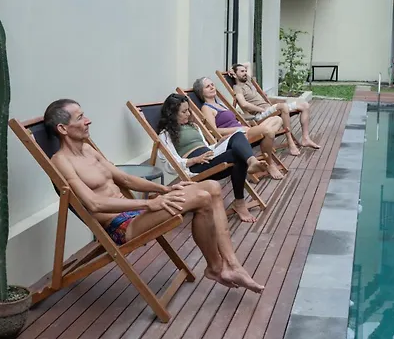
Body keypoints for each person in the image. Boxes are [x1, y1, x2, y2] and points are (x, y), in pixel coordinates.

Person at [44, 99, 264, 292]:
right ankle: (216, 268)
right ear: (63, 128)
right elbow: (93, 204)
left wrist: (164, 190)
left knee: (212, 187)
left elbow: (126, 180)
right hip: (122, 226)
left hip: (137, 212)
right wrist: (149, 205)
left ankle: (233, 265)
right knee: (202, 198)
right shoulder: (61, 162)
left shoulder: (88, 150)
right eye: (80, 118)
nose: (88, 121)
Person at [155, 93, 268, 223]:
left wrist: (219, 144)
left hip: (210, 157)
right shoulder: (165, 134)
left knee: (238, 135)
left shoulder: (193, 126)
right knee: (236, 155)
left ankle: (252, 161)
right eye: (184, 112)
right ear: (172, 113)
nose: (188, 114)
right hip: (196, 167)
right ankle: (240, 202)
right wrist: (195, 160)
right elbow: (171, 164)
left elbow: (206, 147)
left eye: (188, 110)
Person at [193, 77, 285, 180]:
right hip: (238, 136)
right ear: (201, 92)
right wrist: (238, 130)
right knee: (268, 131)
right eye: (207, 86)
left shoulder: (220, 104)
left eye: (212, 85)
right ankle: (270, 164)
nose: (211, 87)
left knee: (278, 119)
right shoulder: (206, 108)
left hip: (245, 129)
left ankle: (267, 139)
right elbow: (214, 131)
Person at [229, 62, 320, 156]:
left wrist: (232, 68)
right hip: (261, 114)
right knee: (283, 106)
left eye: (245, 71)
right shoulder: (237, 88)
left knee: (304, 105)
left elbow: (248, 63)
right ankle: (290, 142)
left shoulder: (248, 81)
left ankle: (305, 138)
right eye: (242, 71)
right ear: (235, 75)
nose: (245, 73)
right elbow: (244, 104)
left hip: (270, 108)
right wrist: (261, 109)